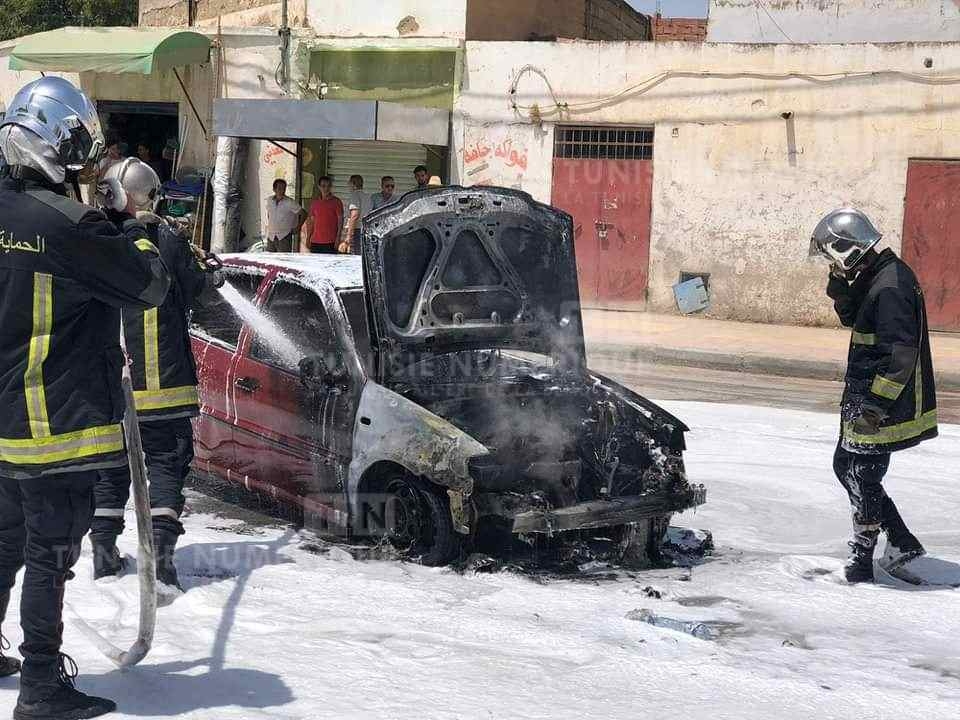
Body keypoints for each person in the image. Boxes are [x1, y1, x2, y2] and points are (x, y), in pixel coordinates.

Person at [0, 77, 169, 718]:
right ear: (57, 142)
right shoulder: (70, 226)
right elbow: (146, 286)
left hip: (2, 423)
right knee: (50, 557)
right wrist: (136, 225)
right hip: (55, 426)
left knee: (4, 542)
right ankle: (42, 685)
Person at [90, 158, 222, 598]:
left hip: (111, 384)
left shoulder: (92, 237)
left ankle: (104, 558)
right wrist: (211, 273)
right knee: (165, 462)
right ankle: (162, 565)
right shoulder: (164, 237)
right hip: (163, 382)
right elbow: (197, 290)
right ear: (147, 195)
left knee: (111, 466)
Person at [810, 208, 937, 584]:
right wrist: (839, 286)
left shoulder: (892, 285)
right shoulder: (876, 276)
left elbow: (900, 353)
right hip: (866, 395)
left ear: (849, 249)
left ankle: (864, 563)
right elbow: (855, 319)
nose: (832, 264)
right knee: (846, 467)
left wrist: (876, 405)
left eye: (833, 257)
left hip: (880, 404)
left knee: (862, 474)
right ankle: (900, 539)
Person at [302, 176, 342, 254]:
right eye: (323, 186)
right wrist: (308, 238)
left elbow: (340, 222)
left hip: (331, 241)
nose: (326, 189)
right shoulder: (315, 203)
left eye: (328, 186)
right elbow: (311, 222)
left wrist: (338, 238)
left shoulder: (336, 202)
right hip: (315, 241)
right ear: (319, 187)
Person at [264, 178, 306, 252]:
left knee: (283, 260)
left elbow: (303, 213)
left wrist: (298, 227)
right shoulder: (270, 200)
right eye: (279, 188)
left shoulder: (289, 202)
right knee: (270, 259)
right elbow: (269, 213)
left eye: (284, 188)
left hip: (284, 235)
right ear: (274, 189)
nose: (282, 191)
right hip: (271, 236)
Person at [339, 174, 372, 255]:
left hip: (356, 230)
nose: (348, 185)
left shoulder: (355, 195)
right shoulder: (368, 197)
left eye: (349, 183)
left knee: (353, 256)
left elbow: (354, 215)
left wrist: (348, 237)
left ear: (353, 184)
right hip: (365, 230)